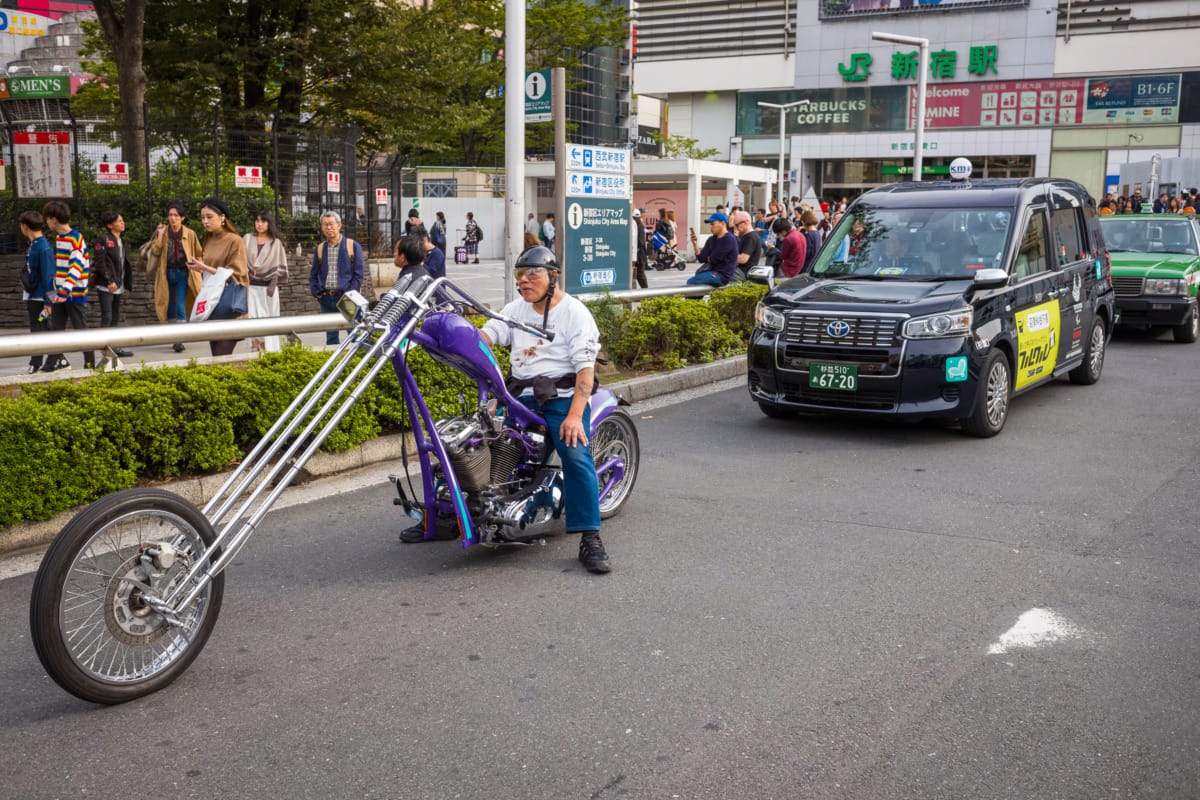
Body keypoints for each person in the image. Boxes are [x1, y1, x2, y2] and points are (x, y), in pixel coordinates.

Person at [481, 246, 611, 573]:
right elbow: (488, 334)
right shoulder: (515, 309)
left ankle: (590, 536)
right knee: (481, 443)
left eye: (532, 274)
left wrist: (573, 415)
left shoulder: (575, 313)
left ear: (553, 277)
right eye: (519, 275)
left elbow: (585, 370)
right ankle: (449, 516)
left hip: (563, 397)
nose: (524, 281)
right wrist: (462, 337)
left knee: (576, 454)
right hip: (520, 396)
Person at [187, 198, 249, 357]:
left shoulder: (235, 240)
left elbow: (237, 274)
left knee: (221, 356)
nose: (205, 221)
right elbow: (211, 271)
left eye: (209, 217)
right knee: (217, 358)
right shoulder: (208, 239)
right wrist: (199, 267)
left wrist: (204, 267)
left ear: (222, 217)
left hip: (230, 306)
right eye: (202, 218)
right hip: (212, 304)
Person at [42, 201, 94, 371]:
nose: (46, 222)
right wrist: (56, 290)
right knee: (57, 329)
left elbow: (76, 267)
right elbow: (61, 268)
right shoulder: (60, 238)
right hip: (62, 293)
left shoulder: (76, 238)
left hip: (75, 293)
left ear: (54, 219)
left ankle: (90, 366)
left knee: (81, 330)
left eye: (47, 218)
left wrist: (64, 291)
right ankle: (51, 365)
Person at [148, 201, 205, 353]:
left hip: (183, 273)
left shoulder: (190, 234)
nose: (172, 218)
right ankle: (174, 338)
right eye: (170, 215)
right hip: (166, 273)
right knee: (169, 307)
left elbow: (199, 252)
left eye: (176, 215)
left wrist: (198, 266)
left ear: (182, 218)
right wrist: (159, 235)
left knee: (180, 304)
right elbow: (155, 251)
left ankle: (180, 339)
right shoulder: (164, 232)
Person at [309, 210, 365, 345]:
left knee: (354, 334)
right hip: (326, 298)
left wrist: (350, 293)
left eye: (331, 224)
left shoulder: (352, 246)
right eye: (325, 224)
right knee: (331, 337)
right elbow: (313, 274)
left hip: (346, 297)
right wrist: (317, 292)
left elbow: (358, 275)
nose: (328, 228)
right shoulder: (321, 248)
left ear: (339, 225)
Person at [91, 210, 134, 358]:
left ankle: (114, 347)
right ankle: (105, 348)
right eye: (119, 221)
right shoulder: (103, 240)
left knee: (115, 317)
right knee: (107, 316)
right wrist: (109, 281)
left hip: (119, 284)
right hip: (106, 285)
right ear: (110, 225)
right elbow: (99, 263)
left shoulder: (122, 241)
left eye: (122, 220)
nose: (122, 223)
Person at [244, 211, 289, 353]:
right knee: (252, 319)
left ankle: (268, 352)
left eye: (263, 221)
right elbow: (240, 260)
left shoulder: (275, 243)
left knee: (267, 320)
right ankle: (254, 349)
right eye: (257, 221)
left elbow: (279, 265)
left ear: (268, 223)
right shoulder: (247, 239)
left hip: (268, 289)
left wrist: (272, 284)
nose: (259, 224)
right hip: (251, 287)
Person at [18, 209, 55, 374]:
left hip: (40, 296)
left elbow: (48, 275)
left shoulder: (43, 247)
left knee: (38, 329)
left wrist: (48, 301)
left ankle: (36, 362)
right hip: (34, 294)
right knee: (42, 328)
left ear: (25, 226)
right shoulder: (34, 244)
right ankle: (57, 358)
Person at [687, 211, 739, 287]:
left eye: (713, 224)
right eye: (710, 225)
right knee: (696, 281)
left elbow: (715, 258)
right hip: (711, 273)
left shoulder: (729, 239)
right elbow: (701, 258)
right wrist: (695, 244)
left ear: (723, 224)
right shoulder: (711, 239)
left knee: (692, 282)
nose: (711, 227)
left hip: (722, 275)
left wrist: (710, 258)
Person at [730, 210, 762, 278]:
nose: (736, 227)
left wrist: (725, 256)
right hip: (739, 270)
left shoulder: (751, 237)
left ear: (745, 222)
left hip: (743, 272)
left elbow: (743, 259)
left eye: (737, 225)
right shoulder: (745, 236)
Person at [632, 208, 649, 289]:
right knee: (639, 273)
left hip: (638, 253)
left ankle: (645, 292)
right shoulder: (640, 225)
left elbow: (638, 241)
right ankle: (645, 291)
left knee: (638, 273)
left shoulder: (635, 225)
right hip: (640, 253)